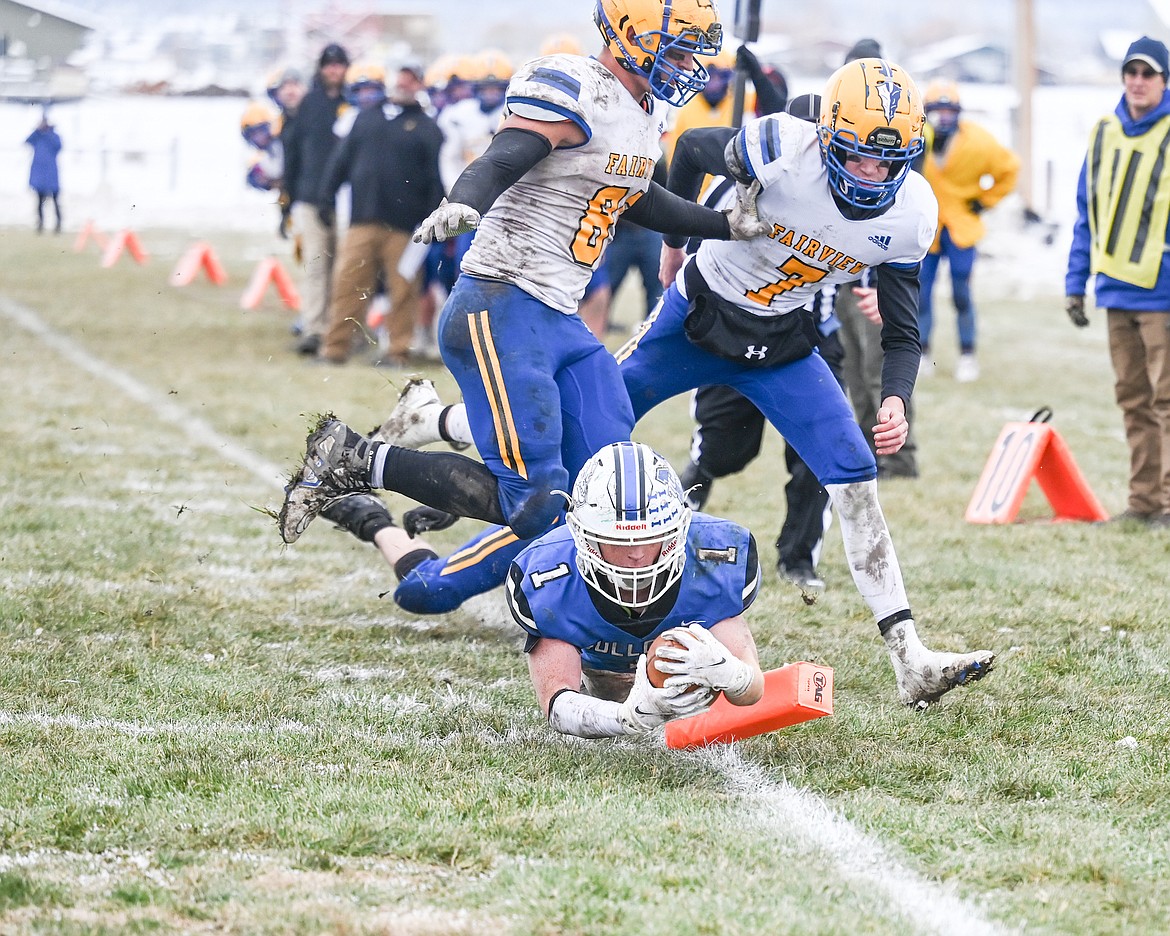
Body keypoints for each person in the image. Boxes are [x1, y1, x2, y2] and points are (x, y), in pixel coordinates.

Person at [277, 0, 765, 550]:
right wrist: (465, 202)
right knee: (535, 502)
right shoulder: (576, 85)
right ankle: (353, 458)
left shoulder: (645, 108)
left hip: (562, 317)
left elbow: (637, 199)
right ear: (629, 33)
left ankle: (592, 603)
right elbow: (503, 158)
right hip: (501, 302)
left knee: (607, 480)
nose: (686, 64)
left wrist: (723, 224)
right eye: (675, 48)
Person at [611, 57, 995, 706]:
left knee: (854, 475)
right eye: (859, 157)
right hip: (700, 319)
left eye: (889, 160)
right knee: (592, 423)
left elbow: (902, 331)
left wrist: (898, 396)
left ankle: (911, 660)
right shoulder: (783, 148)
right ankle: (529, 550)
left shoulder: (910, 213)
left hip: (784, 344)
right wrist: (675, 244)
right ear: (826, 135)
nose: (873, 174)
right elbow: (690, 149)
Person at [1066, 36, 1170, 528]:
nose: (1138, 81)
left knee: (1167, 401)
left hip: (1163, 293)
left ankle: (1167, 507)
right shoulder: (1104, 132)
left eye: (1148, 73)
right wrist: (1075, 281)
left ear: (1164, 80)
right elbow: (1086, 213)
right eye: (1131, 71)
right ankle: (1144, 502)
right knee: (1133, 400)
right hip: (1115, 289)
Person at [315, 63, 444, 367]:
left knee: (403, 290)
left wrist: (431, 219)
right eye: (401, 78)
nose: (404, 84)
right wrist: (326, 195)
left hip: (405, 226)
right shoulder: (367, 118)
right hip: (363, 218)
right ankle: (335, 348)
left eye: (412, 79)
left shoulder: (427, 127)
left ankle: (397, 351)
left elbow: (435, 177)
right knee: (348, 284)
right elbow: (341, 160)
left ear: (419, 85)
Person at [831, 38, 919, 479]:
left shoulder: (895, 139)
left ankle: (899, 457)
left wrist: (873, 285)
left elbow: (886, 223)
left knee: (877, 367)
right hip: (839, 275)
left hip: (874, 274)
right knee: (850, 367)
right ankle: (874, 453)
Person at [918, 77, 1019, 383]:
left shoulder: (978, 140)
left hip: (961, 225)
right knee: (921, 293)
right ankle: (921, 352)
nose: (943, 117)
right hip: (927, 227)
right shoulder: (918, 137)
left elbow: (1010, 169)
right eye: (937, 111)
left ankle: (967, 353)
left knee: (962, 293)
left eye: (949, 111)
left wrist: (983, 202)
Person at [280, 42, 350, 356]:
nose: (334, 70)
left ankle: (341, 330)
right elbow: (292, 155)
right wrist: (287, 202)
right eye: (329, 64)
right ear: (321, 68)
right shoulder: (309, 105)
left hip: (347, 198)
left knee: (347, 269)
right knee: (316, 265)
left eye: (339, 64)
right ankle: (314, 328)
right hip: (310, 196)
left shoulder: (355, 103)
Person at [26, 115, 62, 234]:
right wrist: (37, 131)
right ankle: (40, 225)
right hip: (40, 176)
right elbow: (27, 141)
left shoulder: (53, 136)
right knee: (39, 202)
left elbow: (59, 146)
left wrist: (48, 132)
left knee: (55, 201)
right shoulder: (37, 137)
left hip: (51, 175)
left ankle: (58, 224)